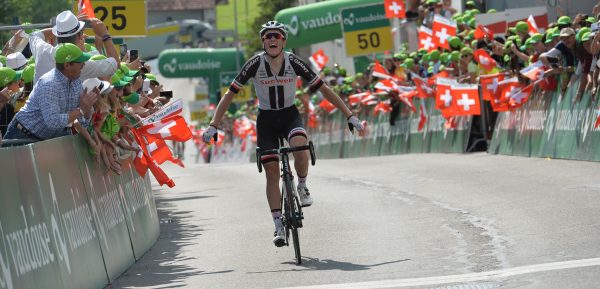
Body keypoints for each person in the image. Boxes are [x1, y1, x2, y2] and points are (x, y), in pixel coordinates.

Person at [202, 20, 365, 247]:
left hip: (289, 115)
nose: (272, 40)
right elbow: (229, 94)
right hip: (266, 120)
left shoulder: (294, 61)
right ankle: (278, 223)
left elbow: (324, 89)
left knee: (300, 143)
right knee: (271, 172)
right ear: (263, 41)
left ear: (283, 40)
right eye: (267, 36)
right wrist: (213, 124)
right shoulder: (254, 64)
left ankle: (302, 184)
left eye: (276, 36)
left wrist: (350, 115)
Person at [3, 43, 97, 141]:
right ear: (67, 65)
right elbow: (53, 121)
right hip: (22, 135)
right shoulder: (50, 84)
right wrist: (81, 110)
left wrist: (86, 112)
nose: (83, 64)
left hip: (41, 138)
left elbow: (80, 121)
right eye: (80, 61)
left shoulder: (75, 81)